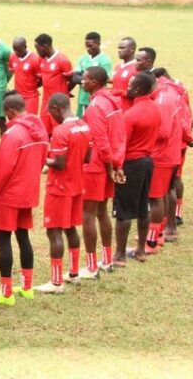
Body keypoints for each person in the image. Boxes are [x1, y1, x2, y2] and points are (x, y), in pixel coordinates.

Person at [0, 92, 48, 306]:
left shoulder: (13, 134)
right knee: (23, 237)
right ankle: (27, 286)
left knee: (3, 239)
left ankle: (6, 293)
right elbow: (42, 160)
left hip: (9, 195)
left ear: (11, 111)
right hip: (28, 192)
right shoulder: (40, 129)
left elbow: (4, 168)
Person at [34, 93, 91, 294]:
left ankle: (56, 282)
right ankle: (73, 273)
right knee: (71, 229)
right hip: (77, 185)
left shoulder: (60, 131)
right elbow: (88, 156)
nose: (52, 117)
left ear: (57, 108)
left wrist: (40, 158)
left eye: (51, 113)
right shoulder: (84, 125)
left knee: (54, 231)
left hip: (59, 188)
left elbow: (59, 163)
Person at [80, 66, 125, 277]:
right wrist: (117, 165)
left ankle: (91, 266)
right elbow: (119, 136)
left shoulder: (95, 107)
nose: (81, 82)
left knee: (87, 214)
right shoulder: (113, 102)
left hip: (96, 166)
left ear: (95, 82)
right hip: (110, 163)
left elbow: (101, 139)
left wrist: (109, 166)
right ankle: (107, 260)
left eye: (85, 79)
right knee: (102, 212)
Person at [112, 73, 160, 265]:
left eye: (130, 86)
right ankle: (140, 250)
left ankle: (120, 255)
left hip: (131, 164)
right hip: (147, 162)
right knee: (142, 208)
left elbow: (122, 144)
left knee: (123, 210)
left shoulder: (131, 115)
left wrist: (117, 167)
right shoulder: (155, 109)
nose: (127, 88)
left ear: (138, 89)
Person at [146, 66, 184, 255]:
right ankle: (161, 231)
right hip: (170, 152)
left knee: (155, 196)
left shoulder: (161, 101)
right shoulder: (168, 94)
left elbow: (162, 132)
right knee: (163, 192)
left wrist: (143, 135)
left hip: (162, 155)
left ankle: (152, 241)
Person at [35, 33, 73, 135]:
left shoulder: (62, 60)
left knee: (58, 131)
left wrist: (65, 92)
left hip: (58, 103)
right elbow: (43, 78)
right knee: (44, 130)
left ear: (45, 46)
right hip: (46, 101)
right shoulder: (41, 59)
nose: (37, 52)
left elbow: (71, 79)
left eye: (38, 48)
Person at [74, 32, 112, 117]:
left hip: (98, 100)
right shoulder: (82, 58)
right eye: (86, 46)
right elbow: (75, 78)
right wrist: (89, 80)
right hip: (82, 99)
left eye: (91, 46)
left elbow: (102, 80)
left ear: (98, 44)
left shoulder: (105, 61)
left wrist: (82, 76)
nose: (88, 49)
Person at [8, 37, 42, 115]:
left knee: (29, 120)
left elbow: (42, 79)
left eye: (18, 50)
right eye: (14, 50)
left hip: (31, 98)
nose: (16, 52)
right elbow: (13, 71)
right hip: (17, 97)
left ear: (25, 47)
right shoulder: (12, 57)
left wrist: (32, 86)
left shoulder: (35, 59)